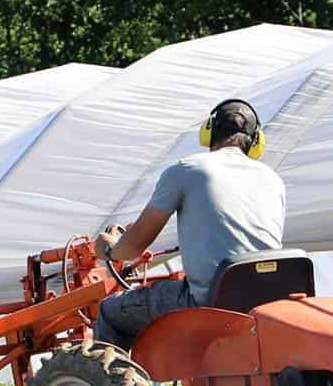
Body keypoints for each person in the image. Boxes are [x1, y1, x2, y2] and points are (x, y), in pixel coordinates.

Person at [91, 97, 287, 349]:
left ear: (208, 132)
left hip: (209, 302)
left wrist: (109, 249)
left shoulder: (186, 170)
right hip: (267, 299)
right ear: (257, 142)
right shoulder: (273, 180)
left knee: (110, 312)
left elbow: (133, 248)